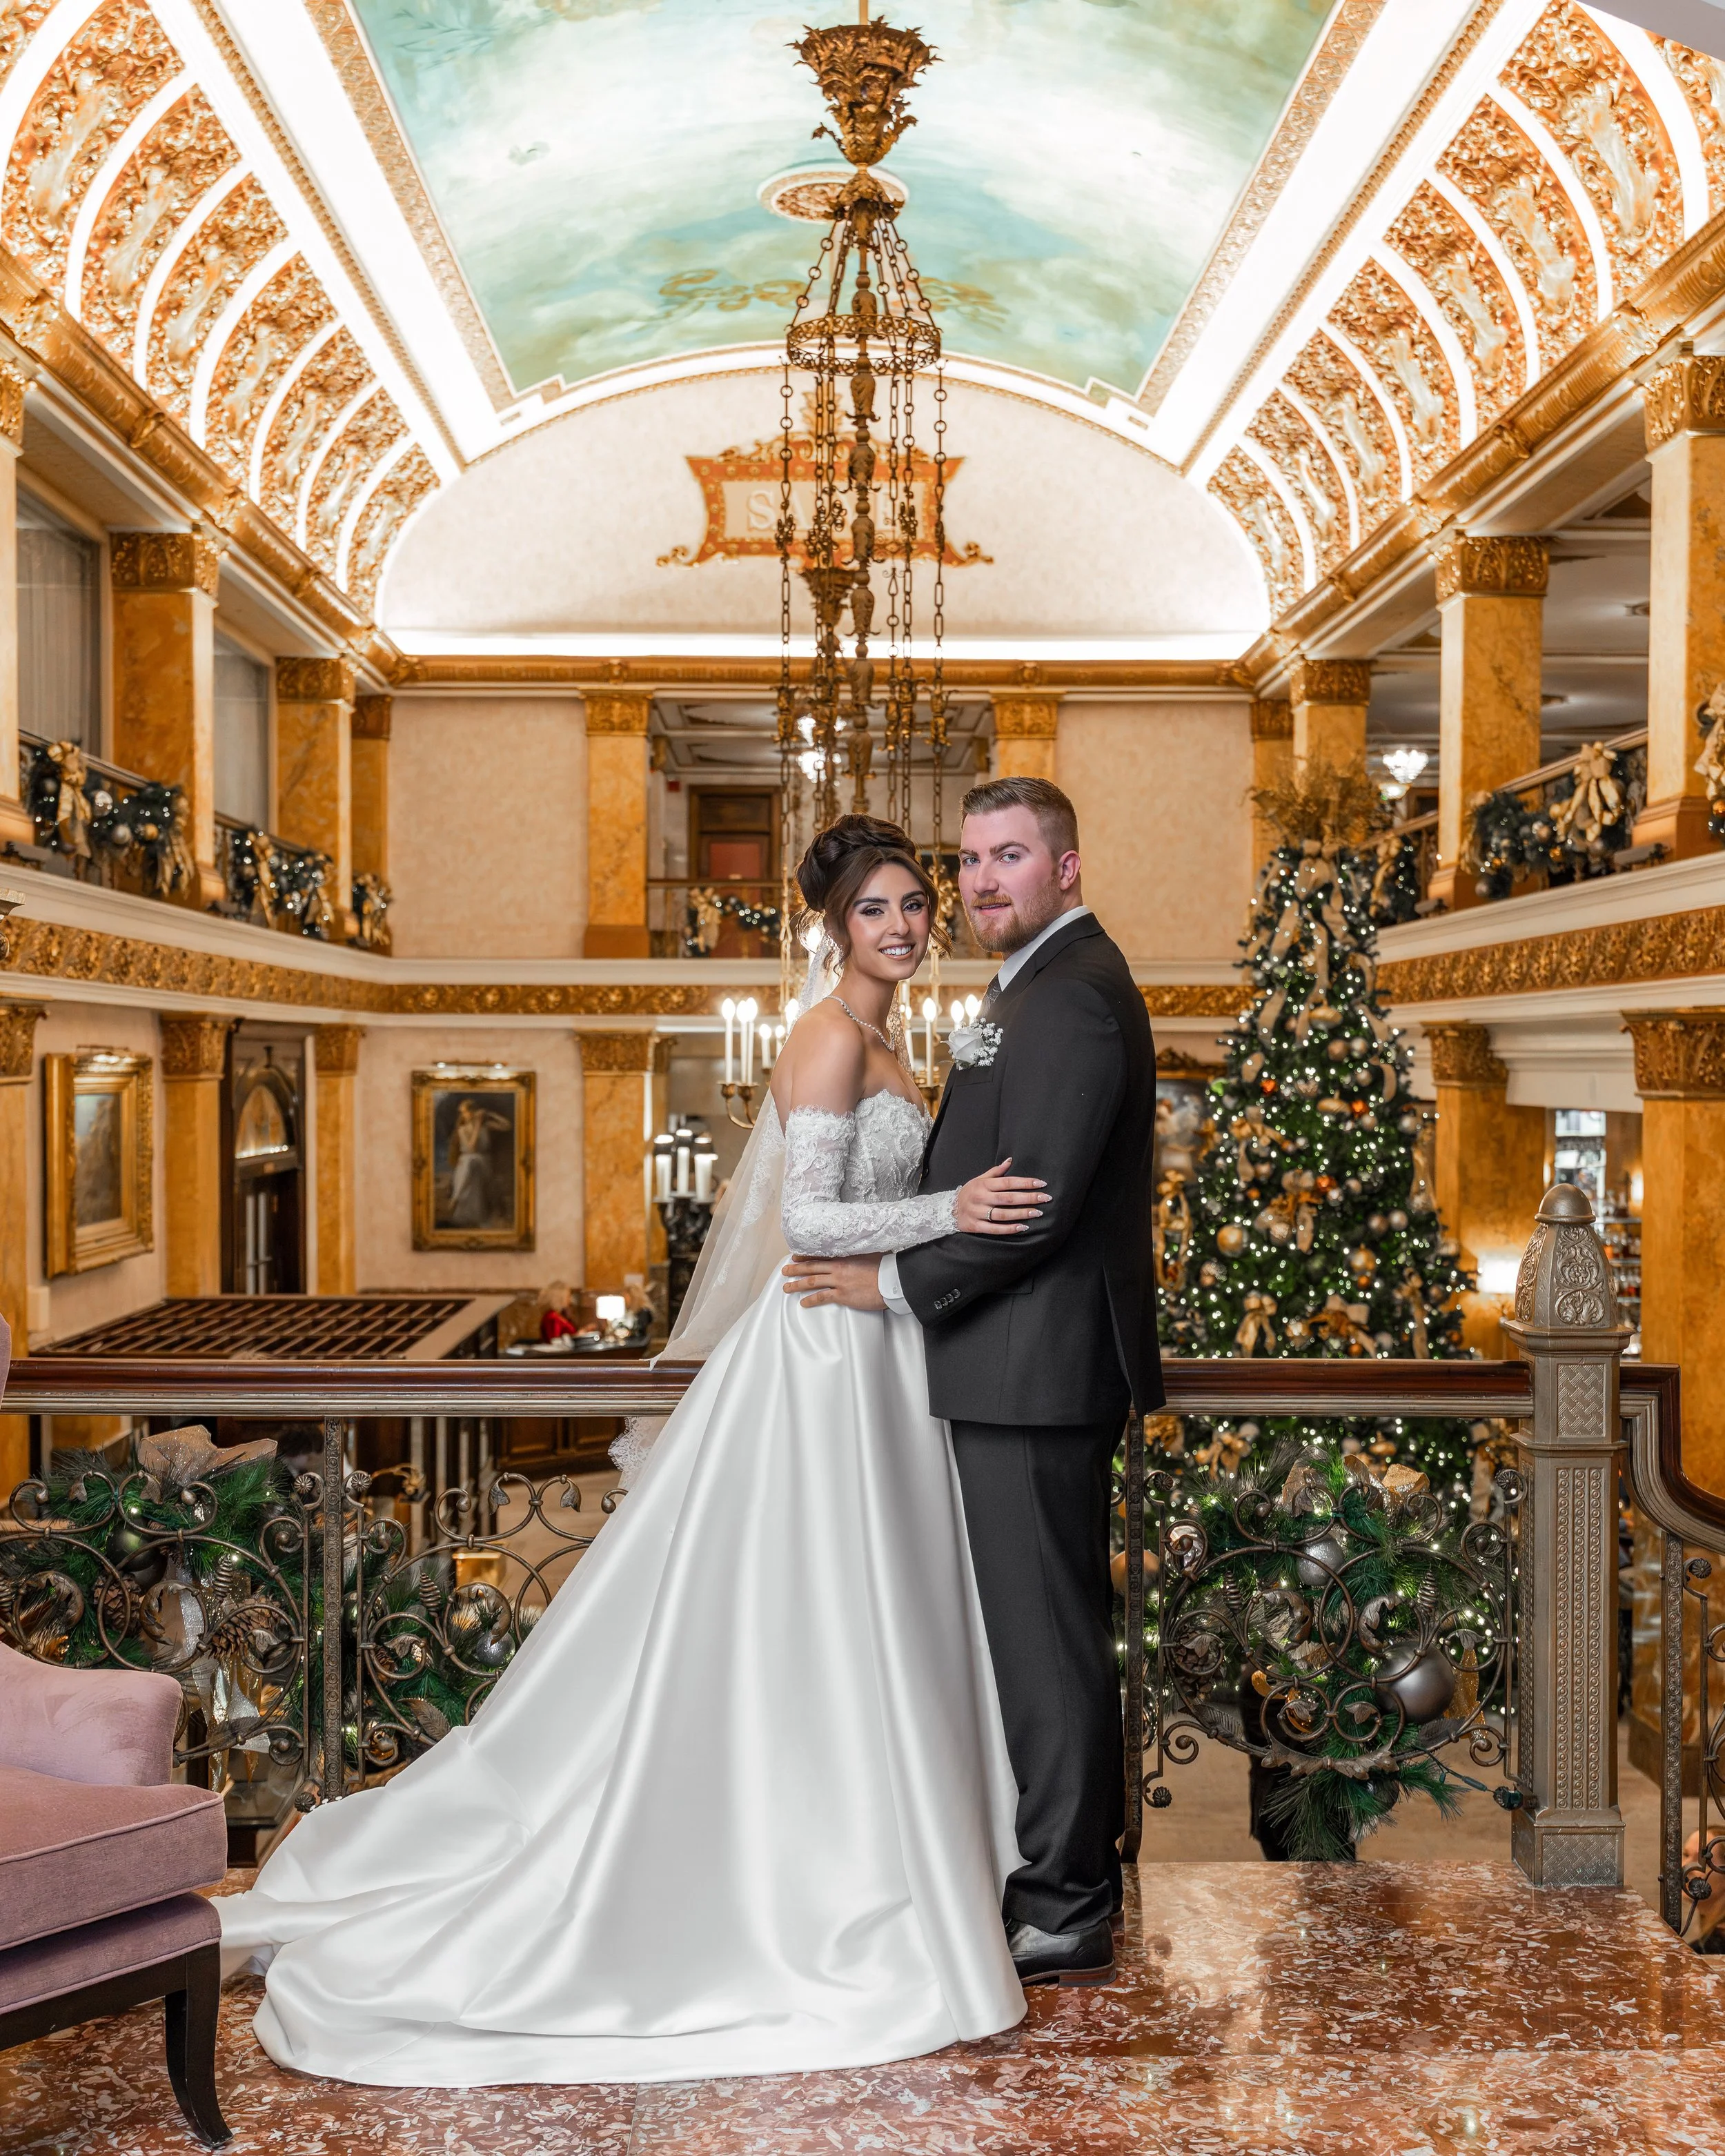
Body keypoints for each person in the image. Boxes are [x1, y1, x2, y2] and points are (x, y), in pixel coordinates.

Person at [217, 815, 1049, 2086]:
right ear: (834, 929)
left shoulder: (884, 1036)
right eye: (876, 909)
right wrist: (958, 1206)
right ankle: (825, 1870)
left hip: (879, 1345)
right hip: (824, 1352)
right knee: (823, 1606)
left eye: (915, 904)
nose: (905, 925)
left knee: (885, 1604)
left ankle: (896, 1851)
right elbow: (813, 1219)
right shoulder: (828, 1036)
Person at [784, 774, 1160, 1986]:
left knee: (1049, 1641)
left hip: (1033, 1369)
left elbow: (1032, 1210)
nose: (983, 879)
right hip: (1000, 1365)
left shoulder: (1073, 1001)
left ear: (1068, 866)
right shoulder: (1028, 989)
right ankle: (1048, 1870)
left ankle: (1065, 1902)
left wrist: (890, 1287)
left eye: (1010, 856)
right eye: (974, 859)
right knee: (1027, 1633)